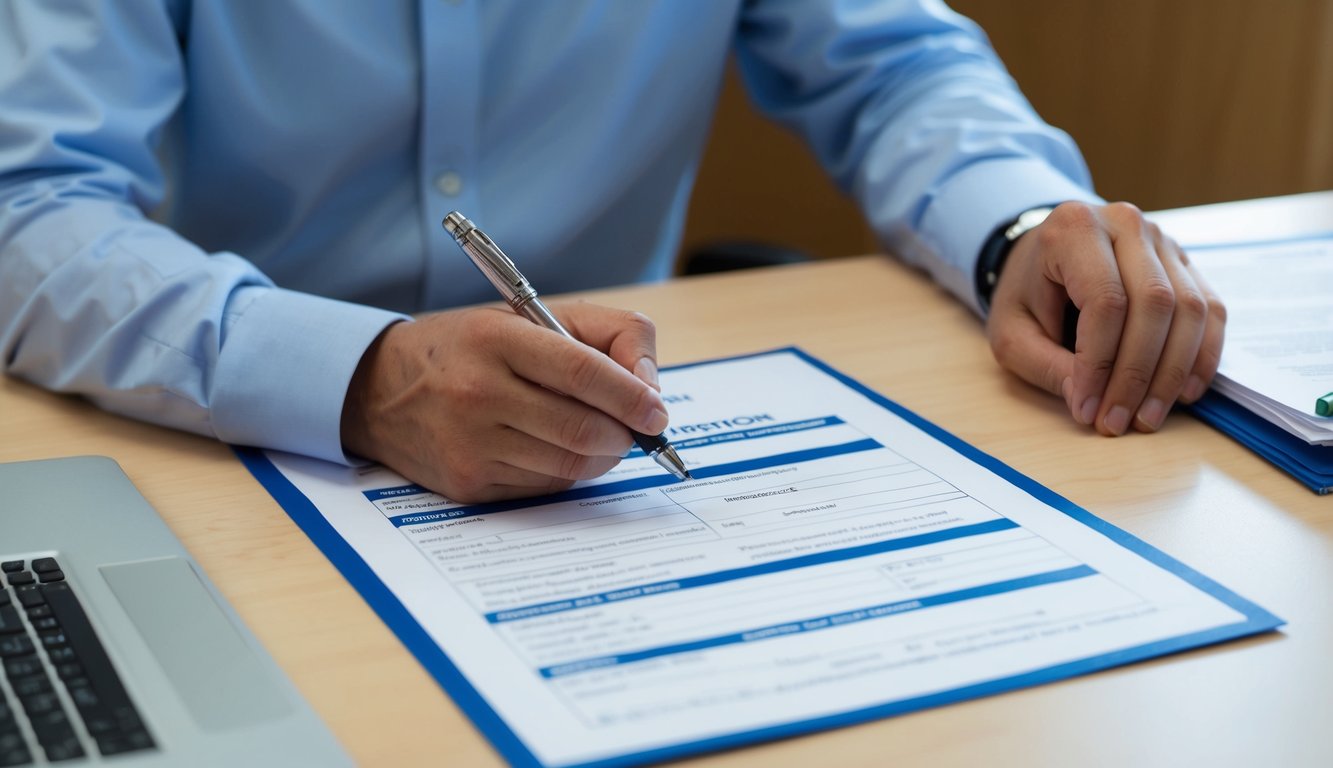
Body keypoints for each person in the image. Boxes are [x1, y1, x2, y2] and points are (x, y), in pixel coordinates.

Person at [0, 1, 1223, 503]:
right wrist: (362, 377)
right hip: (216, 446)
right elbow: (28, 199)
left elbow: (895, 62)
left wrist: (1010, 226)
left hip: (589, 469)